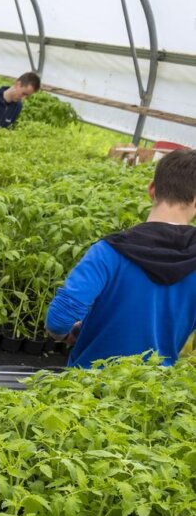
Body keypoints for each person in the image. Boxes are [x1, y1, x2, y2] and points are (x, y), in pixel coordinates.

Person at [46, 149, 196, 369]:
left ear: (152, 189)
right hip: (154, 392)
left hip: (84, 392)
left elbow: (59, 318)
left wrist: (66, 334)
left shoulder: (109, 251)